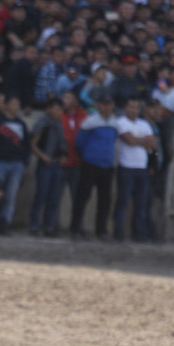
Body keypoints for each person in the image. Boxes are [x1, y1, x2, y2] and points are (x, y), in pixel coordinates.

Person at [70, 88, 118, 241]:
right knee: (83, 197)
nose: (105, 107)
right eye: (103, 104)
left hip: (107, 166)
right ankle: (76, 228)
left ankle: (101, 230)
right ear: (97, 105)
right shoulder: (90, 121)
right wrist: (89, 156)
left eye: (108, 104)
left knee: (105, 200)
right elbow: (80, 143)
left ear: (112, 105)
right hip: (90, 164)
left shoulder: (114, 122)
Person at [0, 92, 29, 234]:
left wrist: (24, 162)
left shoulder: (21, 123)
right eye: (13, 103)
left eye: (18, 104)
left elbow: (26, 144)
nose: (16, 106)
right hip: (0, 163)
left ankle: (4, 225)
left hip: (17, 164)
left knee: (11, 196)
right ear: (7, 105)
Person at [112, 97, 156, 241]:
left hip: (141, 168)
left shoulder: (144, 123)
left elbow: (154, 144)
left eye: (136, 107)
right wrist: (143, 141)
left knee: (141, 203)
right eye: (131, 107)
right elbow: (129, 141)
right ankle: (118, 231)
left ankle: (139, 233)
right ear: (125, 108)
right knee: (123, 201)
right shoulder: (121, 122)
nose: (134, 110)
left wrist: (137, 141)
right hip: (126, 167)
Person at [28, 97, 68, 236]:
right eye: (56, 108)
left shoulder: (59, 124)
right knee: (41, 195)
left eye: (60, 109)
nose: (59, 112)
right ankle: (34, 225)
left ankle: (49, 227)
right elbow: (33, 144)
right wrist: (43, 156)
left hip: (57, 164)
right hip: (45, 164)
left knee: (54, 197)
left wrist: (63, 155)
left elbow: (62, 144)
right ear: (49, 109)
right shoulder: (43, 123)